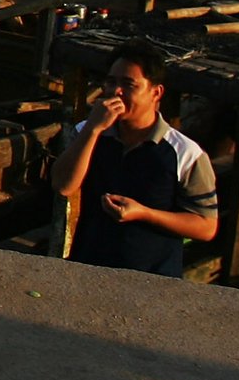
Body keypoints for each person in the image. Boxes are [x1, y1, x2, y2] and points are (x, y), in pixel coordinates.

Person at [50, 37, 218, 276]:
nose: (116, 92)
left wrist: (143, 213)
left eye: (129, 84)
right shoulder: (88, 132)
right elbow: (63, 185)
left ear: (156, 93)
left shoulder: (184, 153)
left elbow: (206, 226)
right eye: (111, 82)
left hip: (152, 282)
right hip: (89, 270)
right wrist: (93, 130)